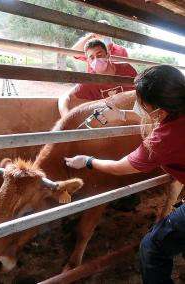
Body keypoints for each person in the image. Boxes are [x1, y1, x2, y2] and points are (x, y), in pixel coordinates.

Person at [65, 65, 185, 284]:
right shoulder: (177, 106)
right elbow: (161, 118)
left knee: (152, 247)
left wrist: (89, 161)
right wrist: (121, 115)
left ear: (159, 110)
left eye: (142, 103)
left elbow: (120, 167)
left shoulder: (163, 140)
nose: (137, 105)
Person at [58, 39, 137, 117]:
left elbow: (142, 90)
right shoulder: (90, 80)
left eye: (99, 55)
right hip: (112, 121)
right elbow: (64, 98)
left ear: (108, 55)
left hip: (133, 115)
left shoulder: (126, 69)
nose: (96, 60)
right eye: (92, 57)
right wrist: (66, 117)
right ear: (88, 60)